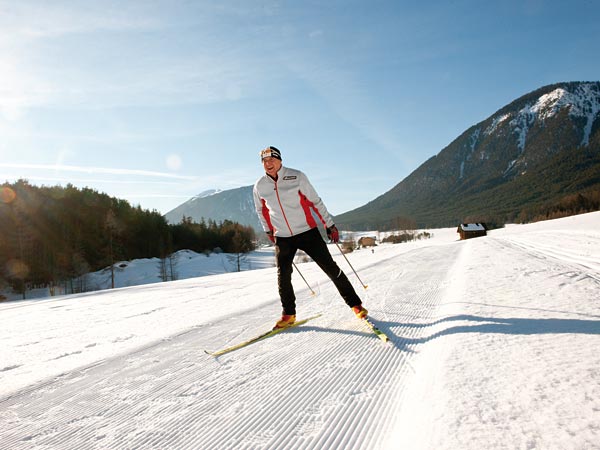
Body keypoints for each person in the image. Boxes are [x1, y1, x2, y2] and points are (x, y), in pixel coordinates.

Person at [253, 145, 368, 329]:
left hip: (307, 232)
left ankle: (356, 305)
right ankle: (288, 314)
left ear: (280, 160)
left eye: (272, 160)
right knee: (283, 276)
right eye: (264, 161)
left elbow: (315, 201)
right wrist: (268, 230)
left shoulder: (297, 176)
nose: (268, 164)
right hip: (283, 236)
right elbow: (261, 210)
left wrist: (329, 224)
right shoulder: (260, 185)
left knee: (331, 268)